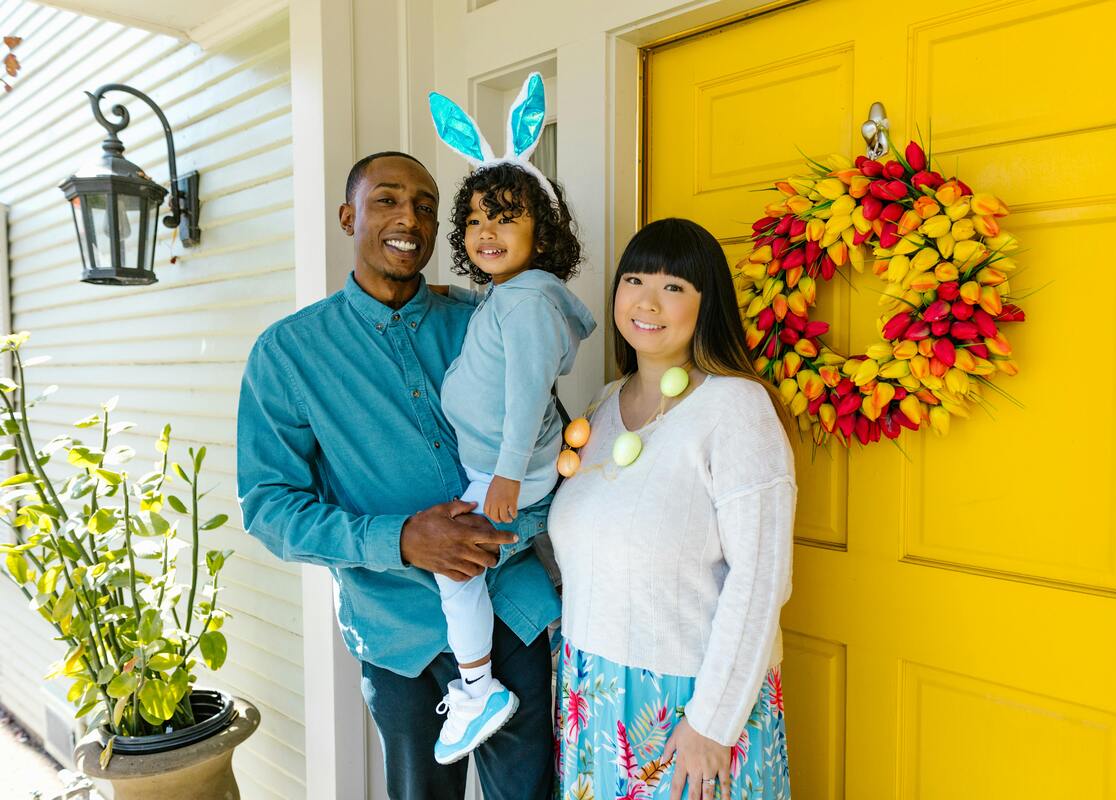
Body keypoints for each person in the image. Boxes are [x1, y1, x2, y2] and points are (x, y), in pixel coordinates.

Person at [236, 151, 559, 800]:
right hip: (396, 634)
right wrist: (401, 539)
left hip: (511, 615)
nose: (407, 216)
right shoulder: (289, 352)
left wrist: (507, 533)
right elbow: (269, 507)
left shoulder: (483, 319)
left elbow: (548, 443)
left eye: (425, 205)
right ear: (348, 215)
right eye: (386, 199)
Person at [549, 218, 798, 800]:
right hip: (593, 692)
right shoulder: (603, 406)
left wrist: (712, 722)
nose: (648, 301)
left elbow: (761, 579)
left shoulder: (736, 409)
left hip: (691, 704)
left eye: (674, 287)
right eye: (635, 279)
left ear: (707, 305)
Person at [432, 160, 594, 763]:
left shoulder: (525, 304)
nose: (486, 231)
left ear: (541, 236)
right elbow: (504, 321)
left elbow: (527, 393)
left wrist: (504, 473)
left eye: (505, 217)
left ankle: (478, 690)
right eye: (475, 219)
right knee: (478, 557)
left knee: (456, 563)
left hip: (510, 469)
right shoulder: (513, 296)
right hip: (506, 465)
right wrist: (459, 294)